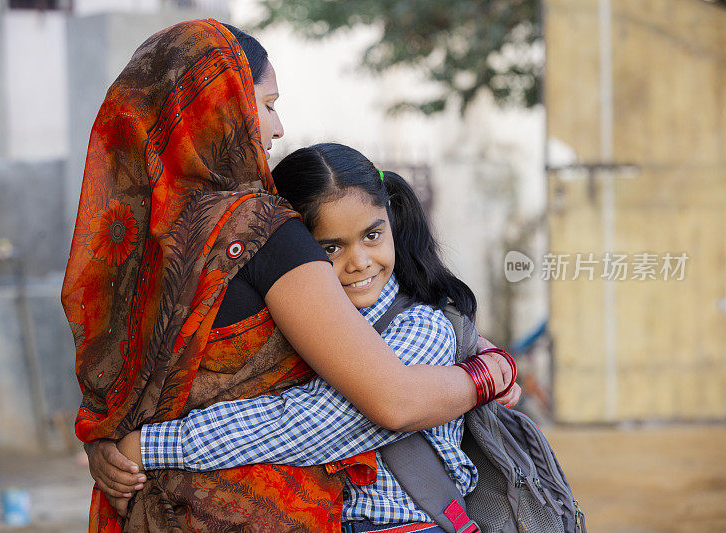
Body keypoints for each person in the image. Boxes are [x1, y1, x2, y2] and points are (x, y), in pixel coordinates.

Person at [66, 19, 514, 532]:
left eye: (371, 236)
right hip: (260, 510)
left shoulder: (131, 250)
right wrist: (492, 369)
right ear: (221, 106)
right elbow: (384, 402)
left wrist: (110, 444)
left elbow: (116, 388)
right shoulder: (263, 231)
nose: (278, 128)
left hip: (155, 509)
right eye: (268, 104)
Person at [106, 143, 519, 532]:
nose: (358, 263)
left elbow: (306, 424)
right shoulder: (300, 330)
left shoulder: (421, 329)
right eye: (331, 249)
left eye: (372, 236)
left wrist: (152, 445)